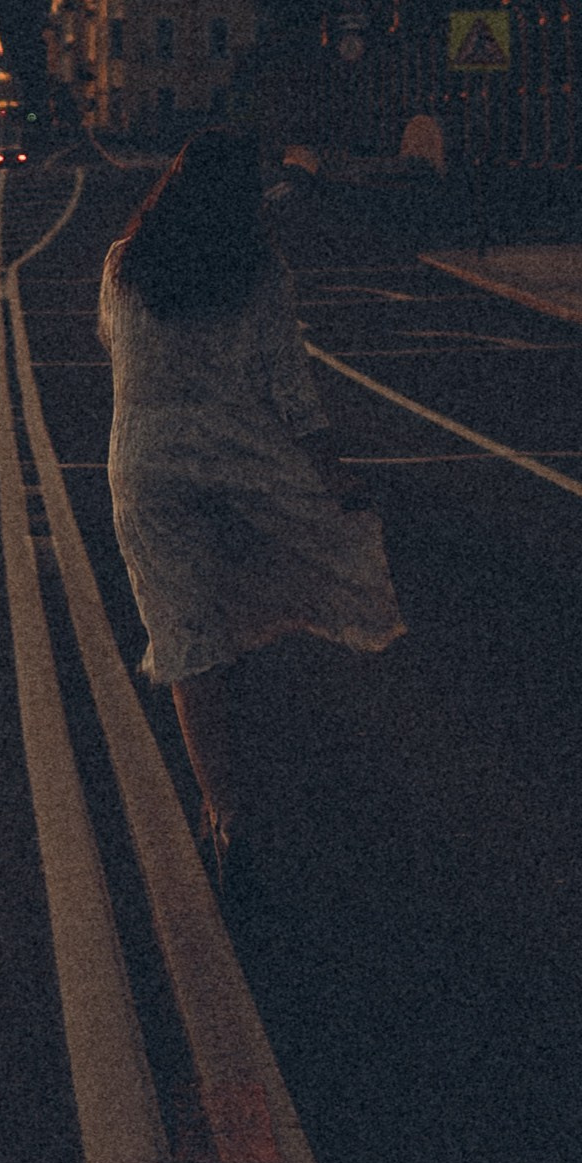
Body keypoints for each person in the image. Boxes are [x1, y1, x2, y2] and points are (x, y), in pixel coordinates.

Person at [99, 129, 404, 881]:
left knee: (184, 634)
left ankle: (222, 811)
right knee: (250, 603)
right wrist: (332, 475)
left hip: (145, 466)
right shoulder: (257, 270)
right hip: (239, 459)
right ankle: (247, 762)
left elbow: (117, 350)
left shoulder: (123, 263)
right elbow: (287, 385)